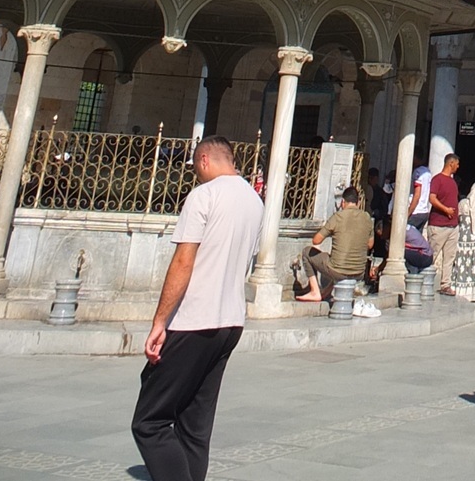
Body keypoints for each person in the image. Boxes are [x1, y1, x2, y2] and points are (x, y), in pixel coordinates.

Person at [131, 135, 264, 481]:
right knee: (194, 424)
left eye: (194, 167)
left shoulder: (204, 195)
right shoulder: (254, 201)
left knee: (150, 421)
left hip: (194, 320)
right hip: (230, 321)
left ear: (203, 160)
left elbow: (183, 261)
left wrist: (159, 321)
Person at [297, 184, 373, 303]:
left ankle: (315, 291)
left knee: (307, 252)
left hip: (338, 270)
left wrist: (332, 231)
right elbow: (370, 245)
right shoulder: (367, 218)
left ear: (343, 202)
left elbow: (316, 240)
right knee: (338, 260)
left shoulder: (338, 217)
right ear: (358, 203)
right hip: (359, 272)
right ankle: (326, 292)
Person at [427, 153, 461, 295]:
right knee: (432, 255)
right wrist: (445, 209)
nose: (458, 167)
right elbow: (432, 198)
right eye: (457, 164)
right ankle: (424, 281)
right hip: (438, 225)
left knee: (449, 257)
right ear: (451, 163)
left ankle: (446, 284)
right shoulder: (437, 179)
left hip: (452, 225)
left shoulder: (453, 182)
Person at [408, 161, 432, 231]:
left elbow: (417, 195)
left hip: (416, 211)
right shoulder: (428, 172)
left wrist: (408, 212)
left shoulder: (418, 172)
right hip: (424, 211)